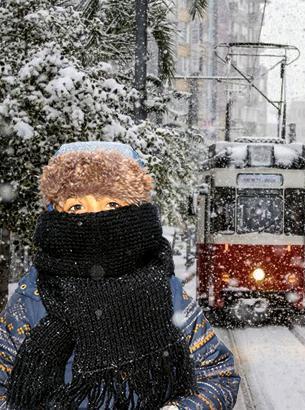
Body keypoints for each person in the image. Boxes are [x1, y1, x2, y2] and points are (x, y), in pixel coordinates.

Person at [0, 142, 240, 408]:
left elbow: (218, 375)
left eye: (112, 205)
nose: (95, 218)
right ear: (54, 214)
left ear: (135, 210)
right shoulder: (32, 296)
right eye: (76, 207)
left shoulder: (164, 288)